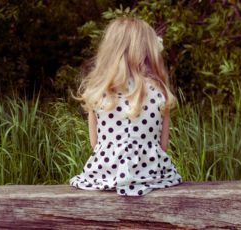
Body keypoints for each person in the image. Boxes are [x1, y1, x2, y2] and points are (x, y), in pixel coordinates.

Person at [69, 17, 183, 196]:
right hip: (151, 176)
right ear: (148, 52)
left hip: (104, 174)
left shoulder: (98, 93)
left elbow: (95, 144)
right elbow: (163, 146)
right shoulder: (160, 92)